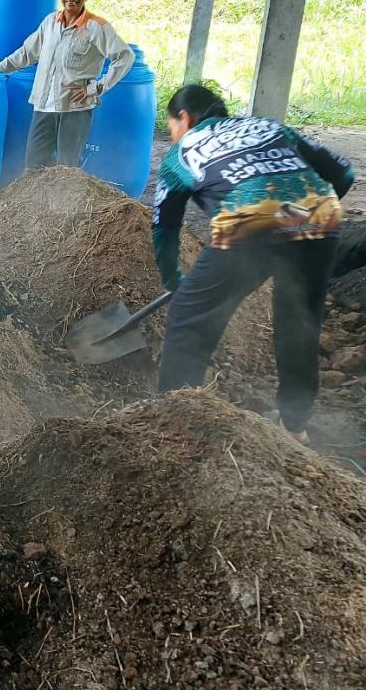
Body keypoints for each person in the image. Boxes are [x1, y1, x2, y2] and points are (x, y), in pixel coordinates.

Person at [152, 84, 356, 443]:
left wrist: (173, 280)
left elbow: (164, 226)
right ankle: (295, 427)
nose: (173, 135)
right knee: (300, 323)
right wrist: (299, 217)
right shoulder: (269, 127)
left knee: (189, 320)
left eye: (171, 126)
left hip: (250, 222)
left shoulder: (182, 152)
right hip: (320, 216)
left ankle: (174, 426)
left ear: (185, 118)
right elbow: (343, 173)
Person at [0, 0, 132, 169]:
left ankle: (64, 201)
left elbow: (125, 56)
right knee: (34, 163)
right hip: (44, 104)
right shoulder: (50, 22)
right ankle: (35, 201)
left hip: (74, 107)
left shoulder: (97, 27)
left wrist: (97, 88)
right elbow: (26, 53)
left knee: (67, 165)